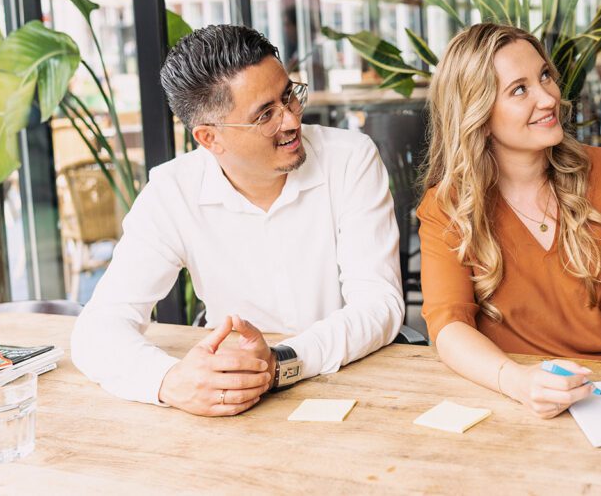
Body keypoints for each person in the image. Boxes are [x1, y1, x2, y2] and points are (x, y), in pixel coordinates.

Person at [71, 25, 404, 416]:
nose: (291, 120)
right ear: (210, 139)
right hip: (234, 397)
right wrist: (170, 381)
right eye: (265, 115)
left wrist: (280, 363)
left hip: (354, 382)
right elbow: (100, 325)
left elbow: (378, 303)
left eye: (289, 96)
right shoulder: (173, 191)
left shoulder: (349, 158)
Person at [418, 23, 601, 419]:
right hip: (511, 392)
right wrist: (517, 381)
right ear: (478, 114)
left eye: (545, 76)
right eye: (519, 90)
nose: (548, 98)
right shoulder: (448, 206)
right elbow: (449, 326)